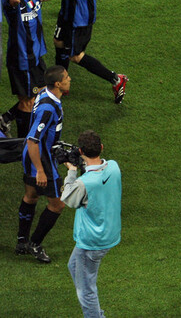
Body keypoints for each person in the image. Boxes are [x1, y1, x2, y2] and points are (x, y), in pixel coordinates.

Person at [62, 130, 121, 318]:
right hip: (109, 233)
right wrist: (82, 165)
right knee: (73, 266)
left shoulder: (83, 183)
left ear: (81, 151)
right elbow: (97, 175)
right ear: (101, 148)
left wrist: (72, 171)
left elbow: (68, 199)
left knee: (86, 291)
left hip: (91, 242)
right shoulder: (114, 167)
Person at [15, 65, 71, 263]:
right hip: (41, 158)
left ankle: (22, 241)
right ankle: (35, 244)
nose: (69, 79)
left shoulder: (43, 92)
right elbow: (33, 140)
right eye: (66, 78)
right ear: (58, 84)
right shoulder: (48, 108)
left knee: (31, 196)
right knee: (57, 205)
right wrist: (40, 170)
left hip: (32, 154)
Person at [0, 0, 48, 138]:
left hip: (36, 55)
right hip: (22, 59)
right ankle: (22, 143)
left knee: (41, 94)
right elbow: (15, 0)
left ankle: (5, 119)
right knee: (27, 103)